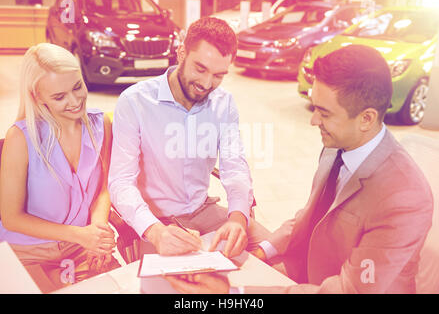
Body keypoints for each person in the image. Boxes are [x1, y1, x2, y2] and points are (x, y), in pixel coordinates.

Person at [165, 44, 434, 294]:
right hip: (308, 270)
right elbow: (312, 213)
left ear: (366, 118)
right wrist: (262, 251)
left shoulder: (404, 197)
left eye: (325, 113)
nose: (313, 121)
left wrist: (235, 292)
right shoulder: (337, 145)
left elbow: (349, 290)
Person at [108, 17, 270, 258]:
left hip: (204, 210)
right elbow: (120, 182)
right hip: (158, 221)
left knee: (275, 251)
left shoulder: (224, 103)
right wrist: (154, 232)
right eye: (200, 69)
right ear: (181, 53)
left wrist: (237, 217)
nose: (206, 84)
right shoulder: (135, 102)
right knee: (177, 287)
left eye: (218, 75)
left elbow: (234, 167)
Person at [0, 43, 120, 293]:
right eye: (59, 96)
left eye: (77, 87)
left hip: (80, 247)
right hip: (26, 252)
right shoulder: (20, 138)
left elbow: (104, 188)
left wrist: (96, 231)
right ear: (37, 96)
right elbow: (11, 218)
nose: (75, 101)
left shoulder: (102, 124)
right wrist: (81, 235)